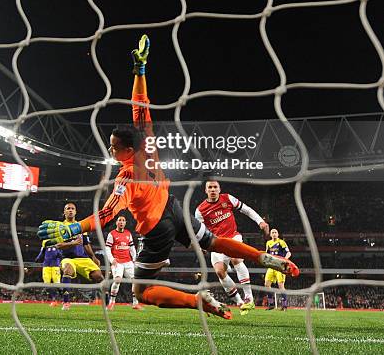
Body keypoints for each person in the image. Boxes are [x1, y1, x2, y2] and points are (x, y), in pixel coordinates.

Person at [38, 35, 299, 320]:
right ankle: (264, 258)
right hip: (174, 208)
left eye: (113, 146)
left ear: (126, 150)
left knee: (143, 292)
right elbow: (140, 104)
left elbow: (107, 214)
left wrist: (73, 228)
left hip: (157, 230)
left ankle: (197, 300)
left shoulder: (126, 178)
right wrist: (140, 71)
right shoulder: (148, 144)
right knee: (212, 241)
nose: (110, 149)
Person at [195, 180, 269, 314]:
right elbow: (200, 231)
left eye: (215, 187)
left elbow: (246, 209)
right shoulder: (200, 210)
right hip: (216, 243)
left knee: (236, 259)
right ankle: (239, 302)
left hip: (233, 237)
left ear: (219, 189)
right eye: (210, 187)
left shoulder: (227, 198)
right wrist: (202, 245)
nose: (212, 190)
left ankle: (249, 298)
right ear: (206, 191)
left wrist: (260, 221)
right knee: (219, 272)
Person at [58, 202, 103, 310]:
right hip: (68, 258)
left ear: (75, 212)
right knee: (68, 270)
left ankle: (105, 302)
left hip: (83, 258)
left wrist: (93, 257)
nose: (70, 210)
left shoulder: (81, 226)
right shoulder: (60, 227)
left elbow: (86, 244)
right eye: (68, 208)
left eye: (72, 208)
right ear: (64, 212)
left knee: (99, 276)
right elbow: (58, 245)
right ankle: (66, 302)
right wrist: (72, 243)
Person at [105, 215, 142, 310]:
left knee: (135, 281)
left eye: (123, 220)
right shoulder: (112, 234)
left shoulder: (128, 233)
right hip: (117, 262)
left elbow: (132, 247)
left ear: (125, 223)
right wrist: (112, 259)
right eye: (119, 220)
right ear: (116, 223)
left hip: (128, 261)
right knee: (117, 280)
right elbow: (107, 248)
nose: (121, 222)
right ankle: (111, 302)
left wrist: (134, 259)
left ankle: (135, 303)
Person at [264, 228, 291, 311]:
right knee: (266, 285)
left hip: (280, 267)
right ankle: (271, 304)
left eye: (275, 232)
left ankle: (284, 306)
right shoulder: (268, 243)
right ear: (270, 234)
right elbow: (267, 254)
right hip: (271, 266)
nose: (274, 234)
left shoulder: (281, 242)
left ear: (278, 234)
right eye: (272, 232)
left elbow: (289, 253)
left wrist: (285, 260)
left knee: (281, 286)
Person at [35, 240, 63, 306]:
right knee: (47, 285)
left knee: (57, 284)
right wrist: (38, 258)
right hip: (46, 266)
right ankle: (54, 300)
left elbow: (61, 255)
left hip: (55, 266)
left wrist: (59, 253)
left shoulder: (58, 246)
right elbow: (41, 253)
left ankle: (63, 298)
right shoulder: (45, 247)